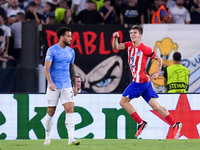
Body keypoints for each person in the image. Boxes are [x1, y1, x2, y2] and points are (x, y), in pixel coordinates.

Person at [112, 25, 182, 139]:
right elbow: (116, 46)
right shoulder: (129, 46)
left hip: (140, 82)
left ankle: (140, 123)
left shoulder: (145, 49)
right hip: (145, 81)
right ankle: (175, 124)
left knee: (123, 102)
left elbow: (159, 58)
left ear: (140, 35)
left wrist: (158, 72)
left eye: (135, 33)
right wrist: (115, 38)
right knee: (156, 107)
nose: (132, 35)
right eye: (131, 33)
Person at [43, 27, 81, 146]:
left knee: (70, 109)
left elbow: (72, 69)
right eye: (68, 36)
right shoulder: (52, 50)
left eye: (71, 36)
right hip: (54, 86)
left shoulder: (71, 51)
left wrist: (74, 86)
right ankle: (48, 138)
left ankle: (71, 138)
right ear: (61, 37)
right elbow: (46, 68)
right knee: (51, 112)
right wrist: (50, 82)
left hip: (66, 85)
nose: (70, 38)